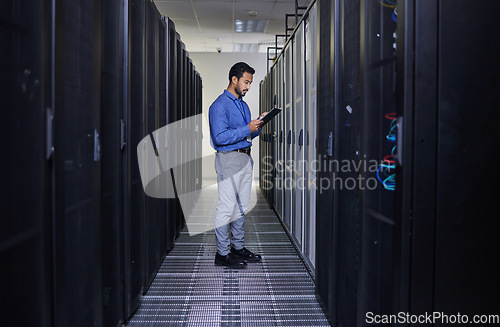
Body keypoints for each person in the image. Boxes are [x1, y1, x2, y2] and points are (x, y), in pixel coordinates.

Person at [208, 62, 268, 268]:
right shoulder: (219, 105)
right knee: (226, 207)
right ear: (234, 79)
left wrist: (257, 125)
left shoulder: (243, 105)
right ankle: (222, 254)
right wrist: (246, 128)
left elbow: (247, 133)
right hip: (229, 159)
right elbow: (220, 137)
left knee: (241, 207)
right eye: (246, 82)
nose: (248, 87)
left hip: (245, 158)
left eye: (250, 83)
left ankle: (238, 248)